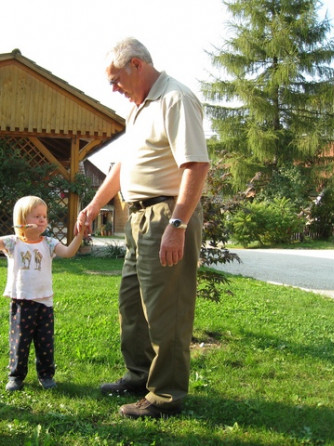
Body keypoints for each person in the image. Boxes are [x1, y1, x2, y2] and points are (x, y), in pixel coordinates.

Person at [77, 37, 210, 419]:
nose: (113, 88)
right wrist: (92, 206)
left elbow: (196, 166)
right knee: (132, 305)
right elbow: (122, 168)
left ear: (136, 65)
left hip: (165, 215)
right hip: (136, 219)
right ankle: (139, 375)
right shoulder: (137, 109)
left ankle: (165, 396)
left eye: (115, 79)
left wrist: (178, 223)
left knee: (166, 310)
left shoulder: (175, 99)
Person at [0, 196, 85, 391]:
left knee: (45, 343)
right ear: (22, 219)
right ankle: (16, 377)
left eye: (44, 216)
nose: (42, 220)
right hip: (22, 302)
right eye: (37, 216)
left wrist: (79, 235)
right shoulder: (13, 243)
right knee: (19, 342)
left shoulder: (49, 243)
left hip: (44, 302)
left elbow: (69, 252)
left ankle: (46, 376)